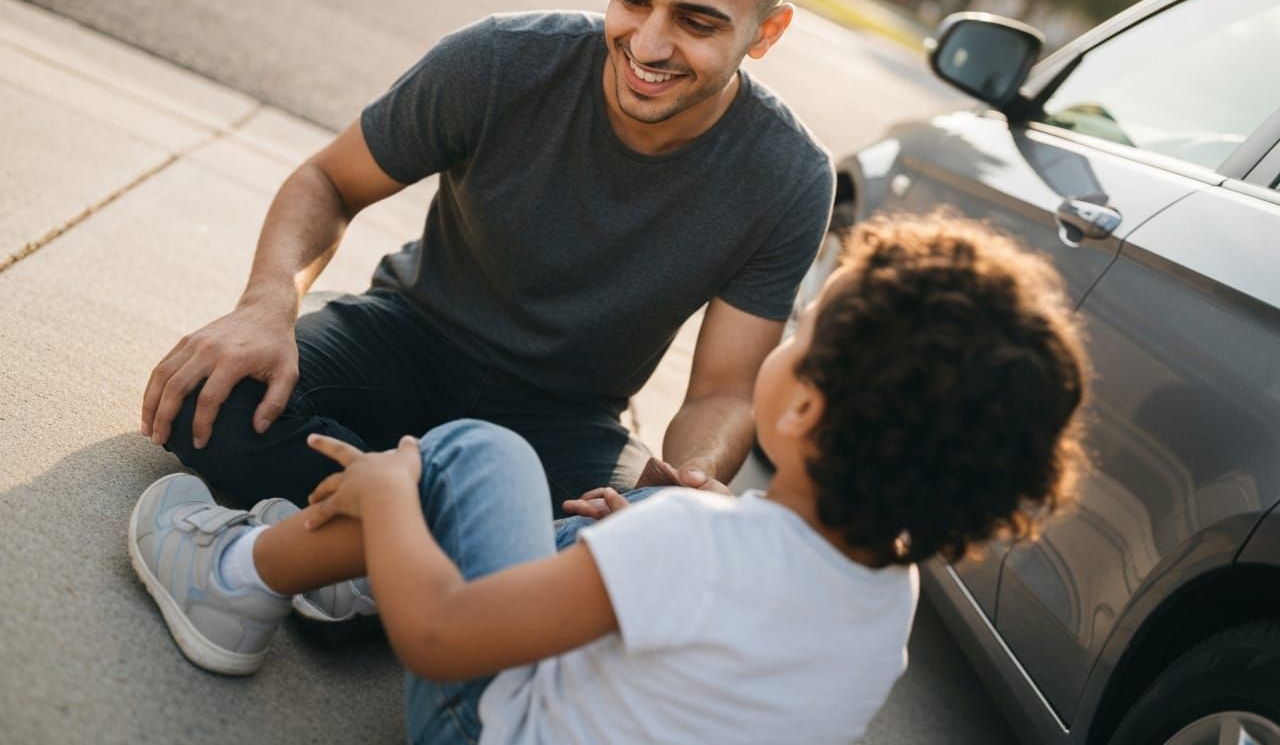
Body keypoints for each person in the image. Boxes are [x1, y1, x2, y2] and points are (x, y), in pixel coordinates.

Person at [138, 0, 834, 598]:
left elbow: (724, 389)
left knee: (650, 535)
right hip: (407, 338)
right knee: (214, 405)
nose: (649, 43)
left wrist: (693, 476)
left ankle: (345, 546)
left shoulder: (790, 177)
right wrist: (266, 304)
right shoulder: (502, 60)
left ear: (767, 32)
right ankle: (410, 562)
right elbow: (328, 181)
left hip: (565, 416)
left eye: (696, 21)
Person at [128, 212, 1092, 744]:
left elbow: (444, 639)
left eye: (803, 333)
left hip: (479, 723)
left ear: (803, 413)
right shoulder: (890, 594)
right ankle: (365, 566)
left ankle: (239, 576)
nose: (788, 339)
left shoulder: (698, 545)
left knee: (478, 453)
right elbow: (748, 606)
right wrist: (664, 519)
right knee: (619, 512)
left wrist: (388, 504)